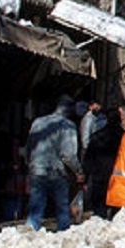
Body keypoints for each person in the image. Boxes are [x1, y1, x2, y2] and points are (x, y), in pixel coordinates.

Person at [26, 94, 84, 231]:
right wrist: (78, 171)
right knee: (62, 208)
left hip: (37, 169)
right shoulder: (67, 126)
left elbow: (29, 146)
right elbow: (68, 154)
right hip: (56, 171)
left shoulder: (38, 122)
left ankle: (30, 233)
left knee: (36, 207)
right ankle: (63, 236)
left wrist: (30, 163)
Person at [82, 103, 125, 220]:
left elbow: (88, 159)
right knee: (117, 215)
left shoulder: (97, 137)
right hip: (119, 179)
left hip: (99, 178)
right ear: (120, 120)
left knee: (99, 212)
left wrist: (85, 178)